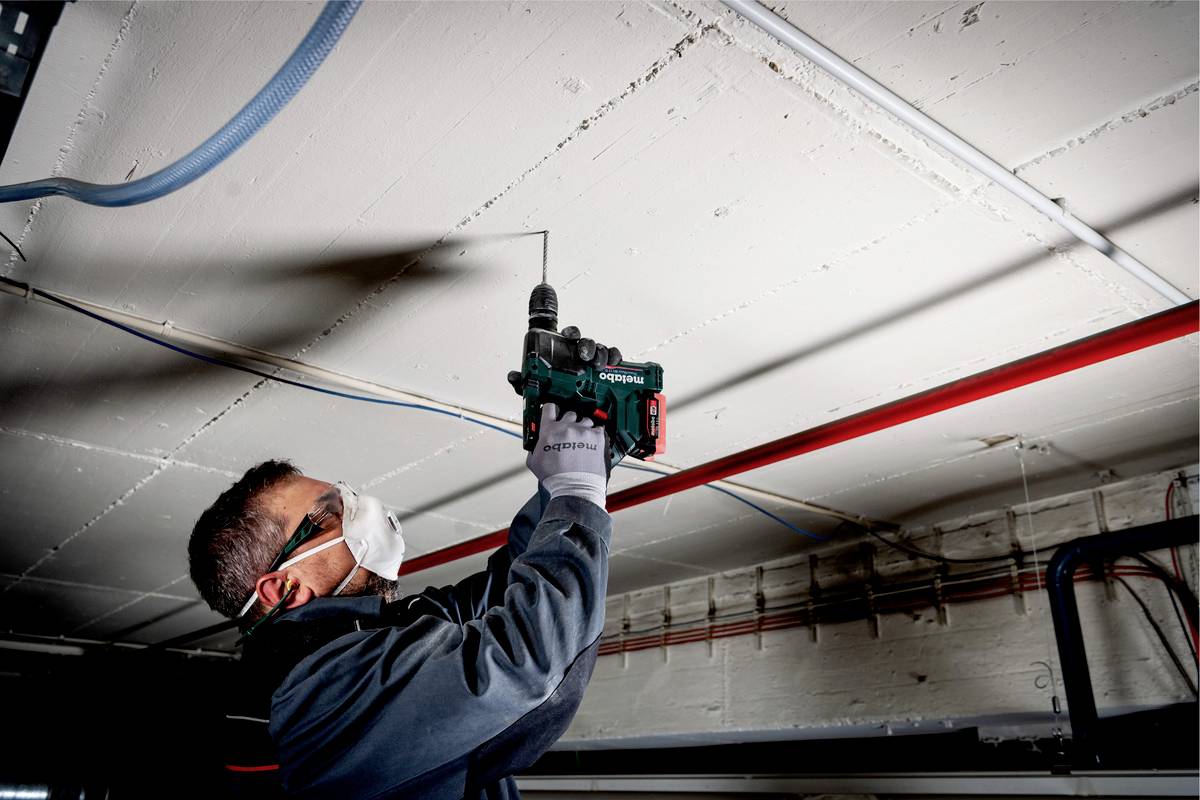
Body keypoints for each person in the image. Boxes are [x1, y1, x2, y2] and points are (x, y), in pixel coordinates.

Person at [187, 403, 612, 798]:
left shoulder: (365, 633)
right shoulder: (316, 692)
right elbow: (528, 668)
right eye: (330, 514)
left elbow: (502, 588)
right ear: (284, 589)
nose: (359, 510)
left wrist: (584, 457)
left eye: (343, 497)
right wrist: (575, 487)